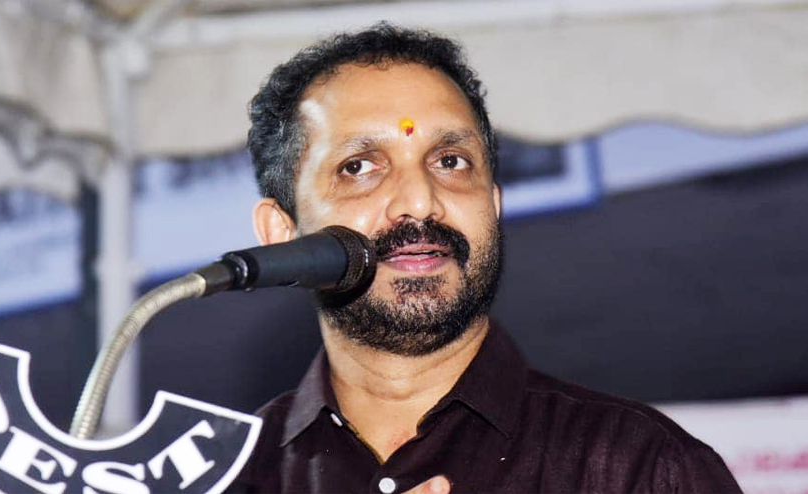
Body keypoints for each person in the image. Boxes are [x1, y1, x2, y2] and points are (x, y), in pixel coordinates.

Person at [229, 23, 742, 494]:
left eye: (450, 161)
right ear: (281, 233)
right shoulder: (231, 477)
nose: (420, 201)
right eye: (359, 167)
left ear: (493, 206)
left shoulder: (642, 469)